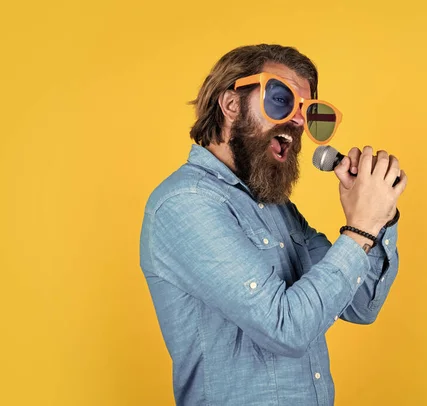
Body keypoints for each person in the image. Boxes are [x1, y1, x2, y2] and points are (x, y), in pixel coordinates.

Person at [139, 44, 408, 406]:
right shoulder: (185, 203)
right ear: (231, 105)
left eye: (310, 113)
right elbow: (286, 329)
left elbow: (361, 305)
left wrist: (379, 218)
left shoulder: (278, 208)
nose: (297, 121)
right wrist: (360, 230)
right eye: (280, 99)